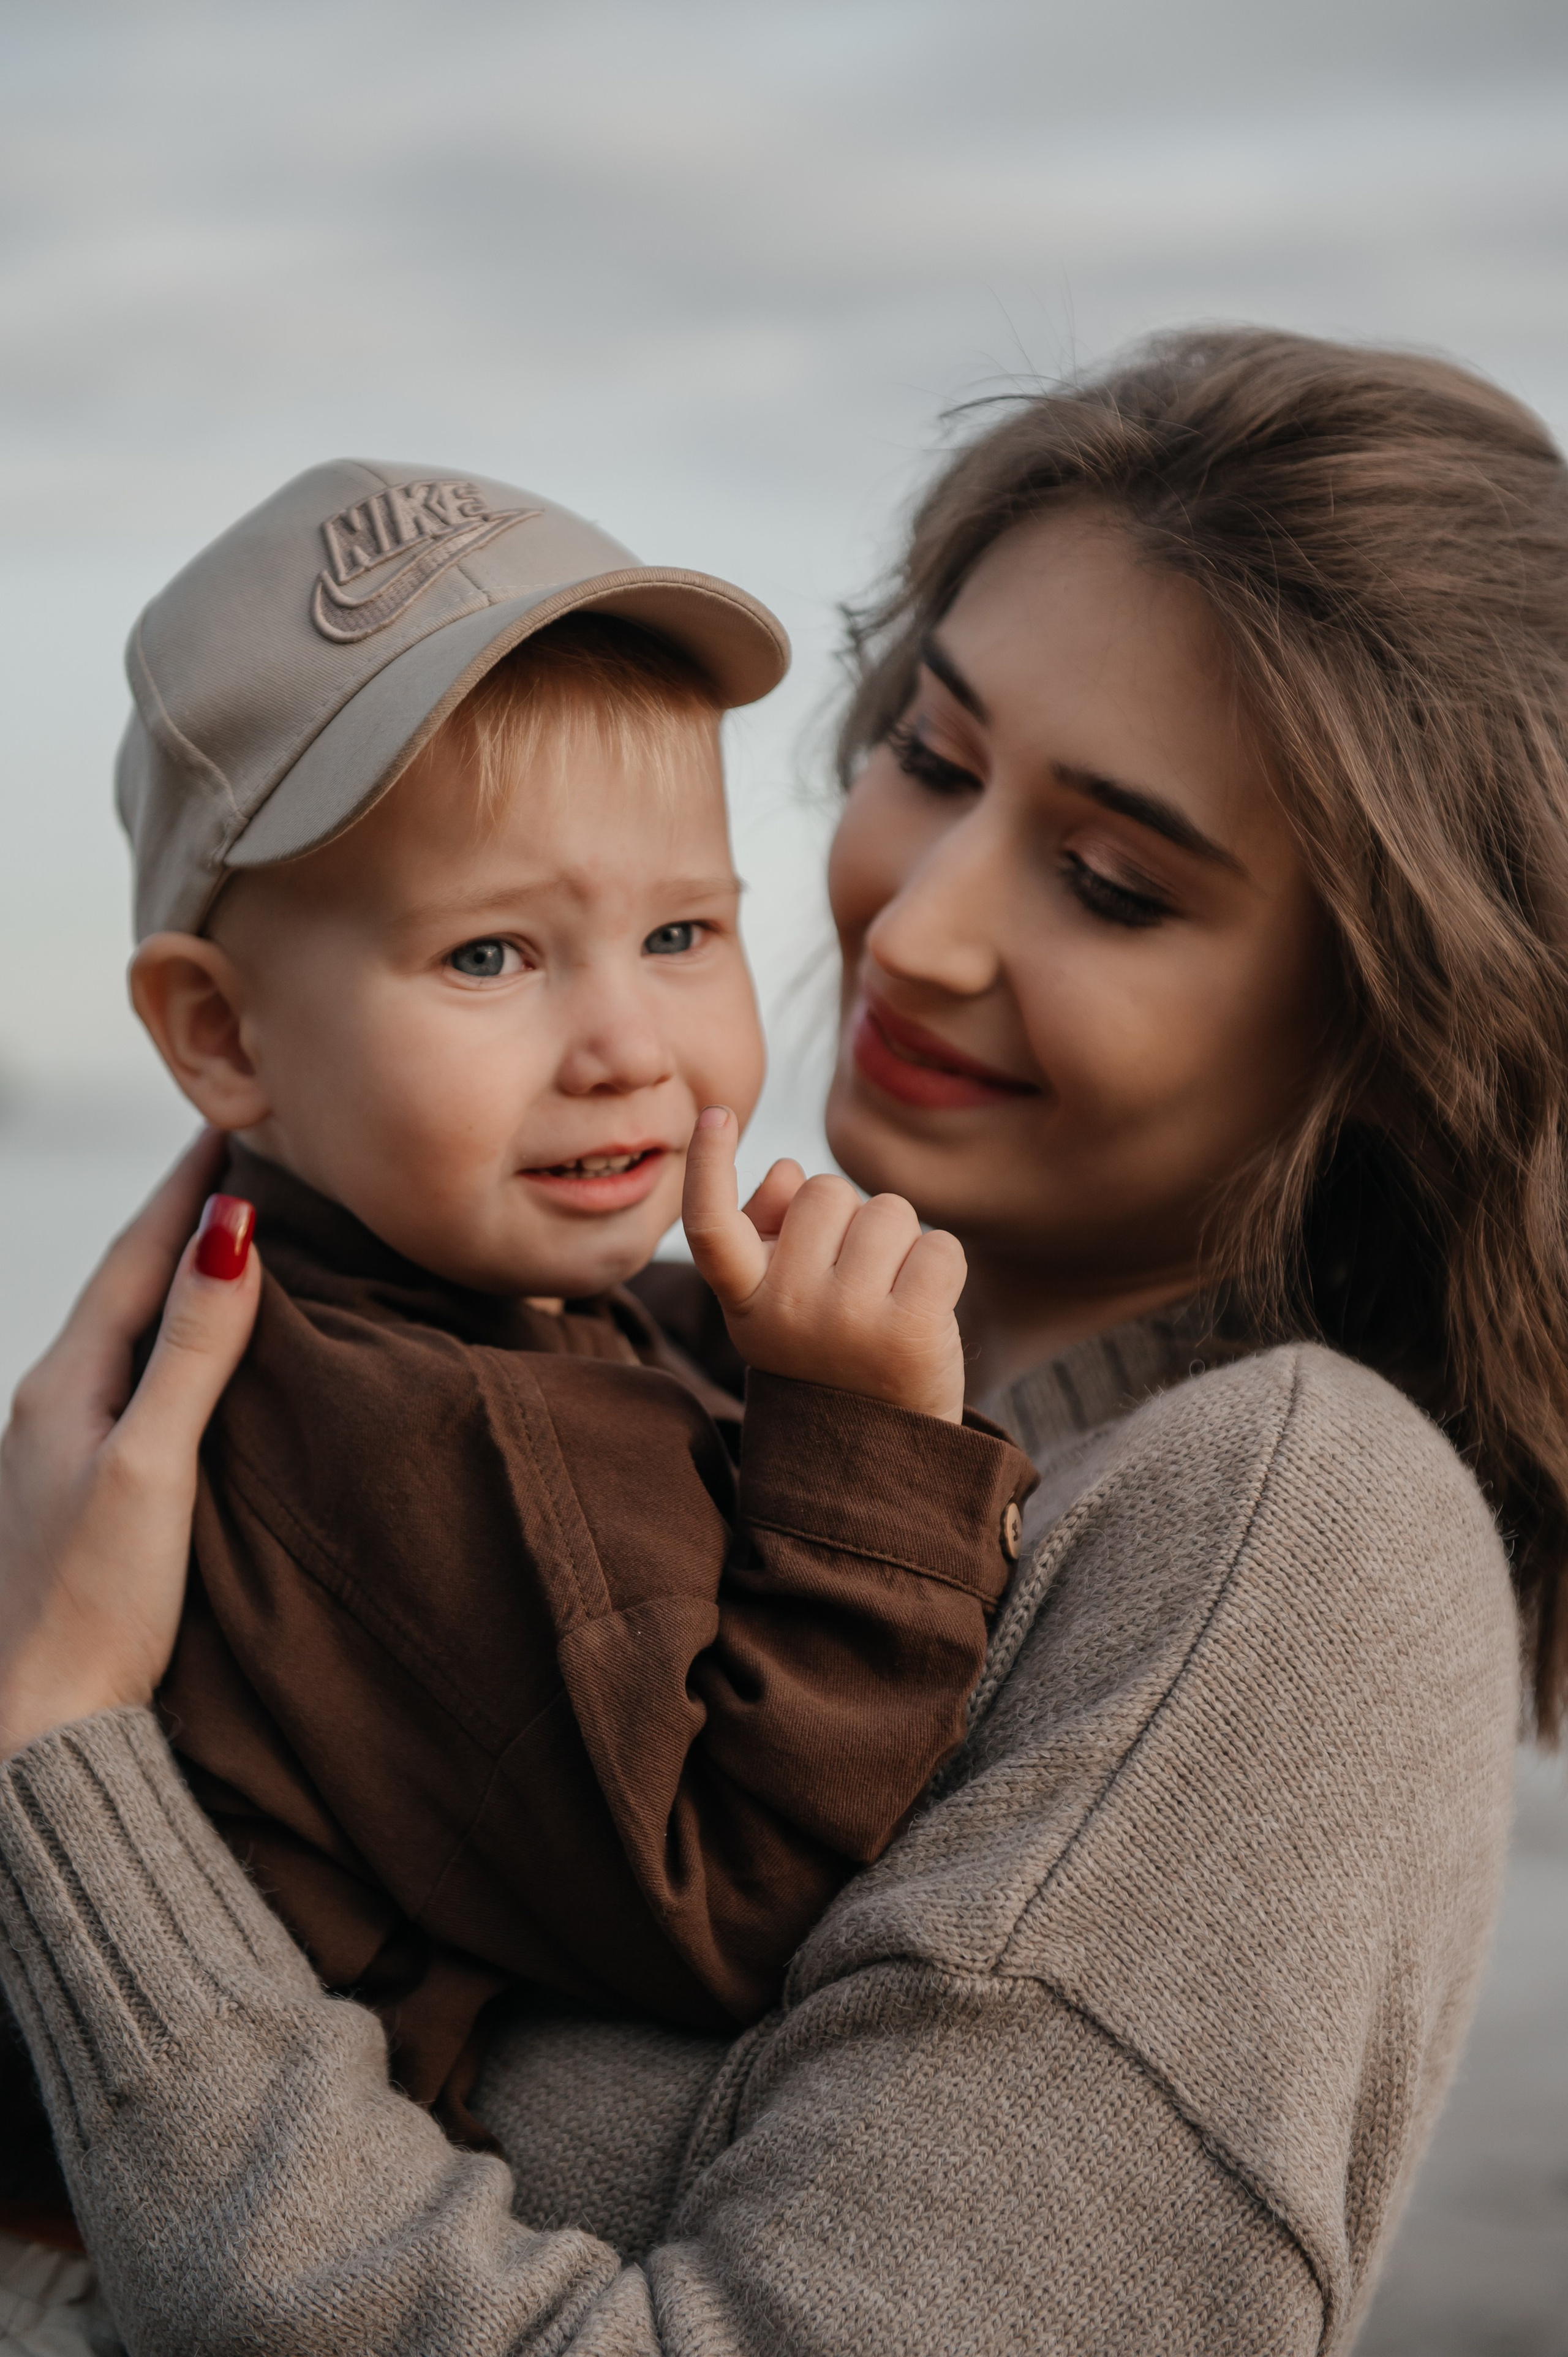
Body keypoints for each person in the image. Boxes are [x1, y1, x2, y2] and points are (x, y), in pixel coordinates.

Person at [0, 325, 1555, 2353]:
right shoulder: (614, 1368)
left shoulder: (1289, 1518)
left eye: (1108, 879)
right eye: (930, 753)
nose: (914, 930)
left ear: (1390, 1018)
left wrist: (66, 1761)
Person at [2, 461, 1036, 2225]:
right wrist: (864, 1459)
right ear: (221, 1031)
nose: (628, 1040)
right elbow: (728, 1902)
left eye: (683, 931)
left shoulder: (412, 1311)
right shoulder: (414, 1429)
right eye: (490, 954)